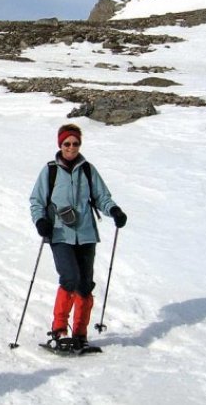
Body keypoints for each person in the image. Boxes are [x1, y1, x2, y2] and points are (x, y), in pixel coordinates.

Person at [28, 123, 127, 350]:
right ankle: (59, 330)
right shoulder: (50, 170)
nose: (71, 147)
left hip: (86, 234)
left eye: (75, 143)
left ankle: (80, 334)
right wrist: (40, 221)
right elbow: (36, 201)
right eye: (67, 144)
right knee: (70, 278)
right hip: (60, 234)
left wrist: (114, 211)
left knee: (84, 284)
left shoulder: (88, 170)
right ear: (60, 145)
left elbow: (102, 197)